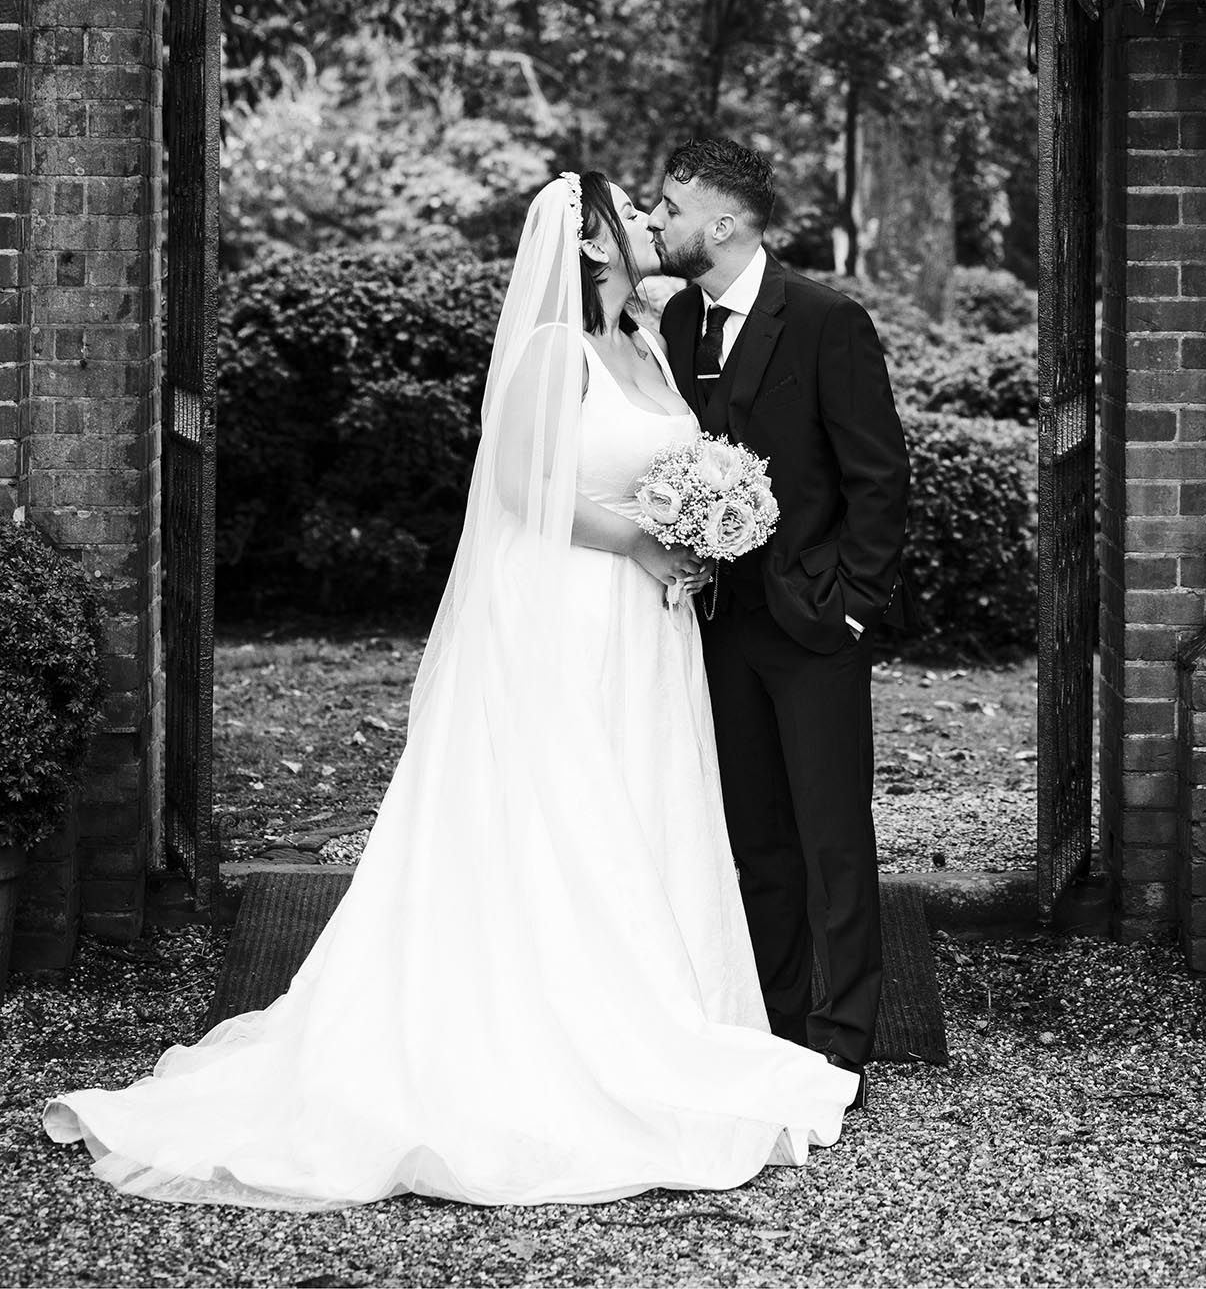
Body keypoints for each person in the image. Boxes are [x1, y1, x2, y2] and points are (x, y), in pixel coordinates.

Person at [43, 172, 857, 1212]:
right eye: (635, 217)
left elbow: (663, 464)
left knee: (639, 803)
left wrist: (707, 524)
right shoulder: (547, 351)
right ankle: (546, 1033)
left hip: (645, 629)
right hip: (571, 610)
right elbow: (526, 491)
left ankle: (657, 1011)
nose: (654, 224)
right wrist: (648, 542)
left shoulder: (646, 343)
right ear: (595, 247)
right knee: (560, 813)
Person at [651, 138, 911, 1105]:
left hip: (812, 628)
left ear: (722, 223)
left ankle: (843, 1041)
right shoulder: (675, 319)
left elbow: (878, 477)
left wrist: (850, 606)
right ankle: (770, 1022)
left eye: (672, 206)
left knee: (832, 836)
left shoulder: (826, 320)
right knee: (752, 835)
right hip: (713, 623)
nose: (659, 220)